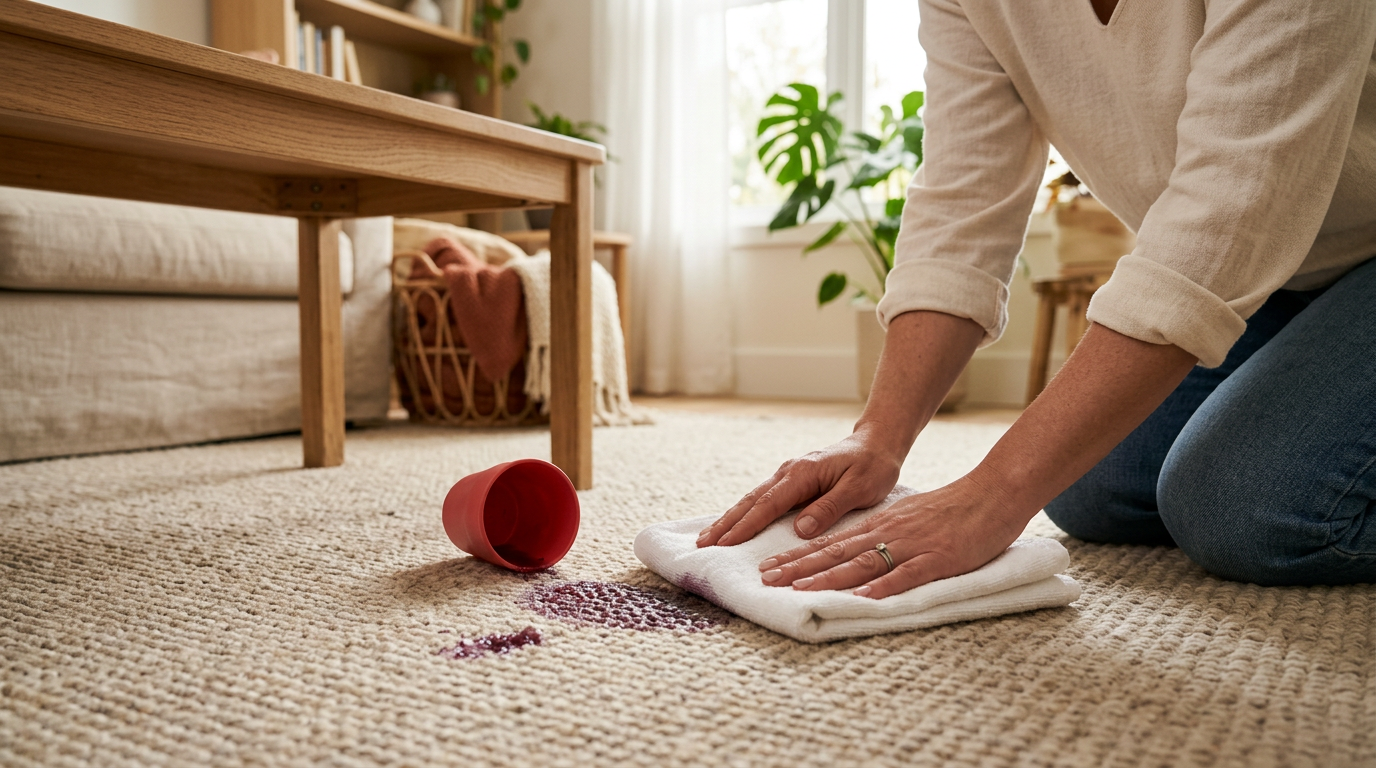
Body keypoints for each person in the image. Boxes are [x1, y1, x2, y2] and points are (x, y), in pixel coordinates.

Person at [697, 0, 1376, 595]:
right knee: (1092, 489)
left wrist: (992, 495)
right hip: (1283, 281)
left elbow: (1233, 203)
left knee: (1244, 508)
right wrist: (878, 436)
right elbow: (966, 197)